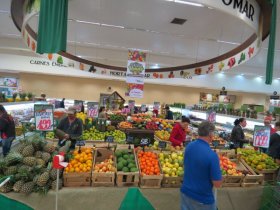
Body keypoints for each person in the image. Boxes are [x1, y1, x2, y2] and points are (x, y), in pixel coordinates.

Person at [181, 121, 222, 210]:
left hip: (186, 193)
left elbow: (185, 166)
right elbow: (217, 184)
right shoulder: (212, 155)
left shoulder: (189, 146)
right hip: (202, 199)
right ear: (211, 135)